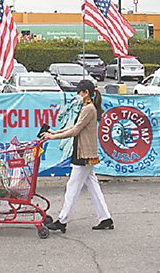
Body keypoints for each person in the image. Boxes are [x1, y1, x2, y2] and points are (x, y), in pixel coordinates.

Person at [42, 79, 113, 232]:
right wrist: (55, 132)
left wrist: (52, 137)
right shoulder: (87, 107)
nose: (77, 95)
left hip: (83, 154)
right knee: (93, 187)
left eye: (79, 92)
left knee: (72, 187)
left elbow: (75, 130)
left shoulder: (88, 109)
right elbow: (75, 127)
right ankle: (105, 218)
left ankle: (62, 220)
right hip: (85, 152)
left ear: (86, 93)